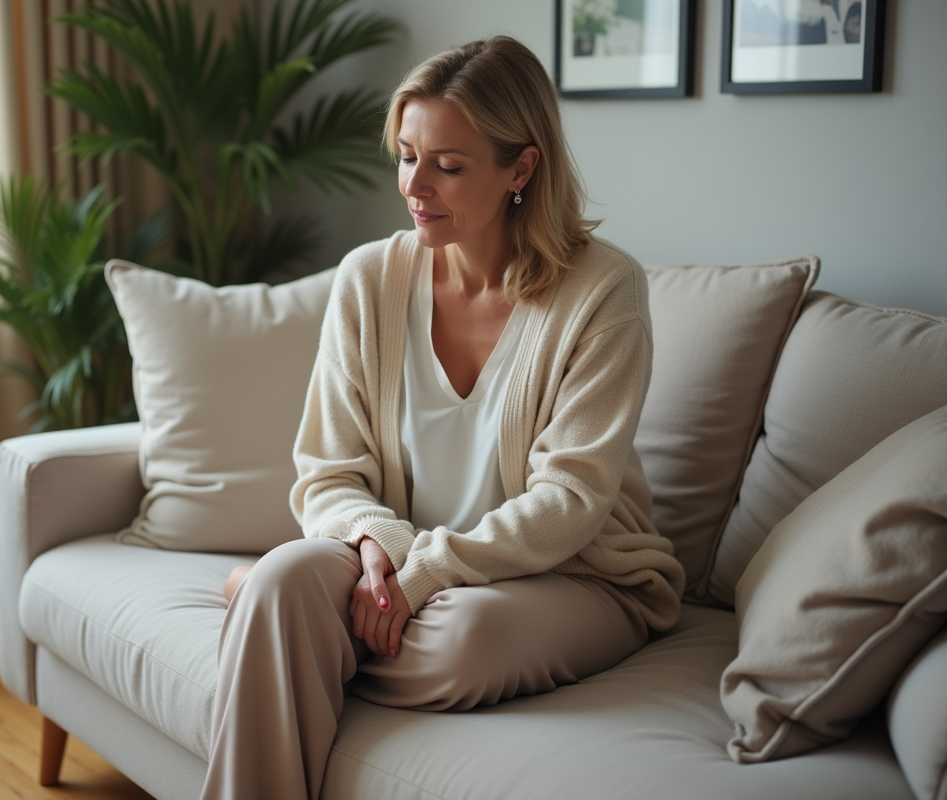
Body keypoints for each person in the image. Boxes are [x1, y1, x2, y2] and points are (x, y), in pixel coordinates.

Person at [203, 35, 685, 800]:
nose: (413, 186)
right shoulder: (370, 277)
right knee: (293, 575)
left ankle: (272, 615)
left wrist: (428, 571)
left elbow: (571, 501)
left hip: (576, 575)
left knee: (465, 638)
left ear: (520, 168)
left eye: (447, 166)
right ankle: (277, 603)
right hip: (390, 561)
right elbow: (328, 469)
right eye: (405, 155)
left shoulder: (604, 292)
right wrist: (380, 546)